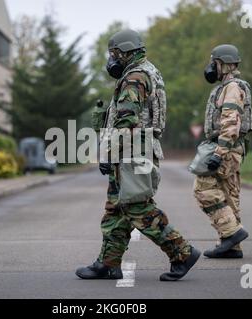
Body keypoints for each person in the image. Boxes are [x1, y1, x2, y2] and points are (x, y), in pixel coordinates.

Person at [76, 29, 200, 281]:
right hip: (131, 151)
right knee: (116, 210)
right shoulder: (145, 71)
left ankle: (181, 252)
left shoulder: (135, 77)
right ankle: (108, 263)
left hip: (134, 151)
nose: (111, 59)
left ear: (125, 51)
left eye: (113, 54)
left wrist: (109, 153)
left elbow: (127, 121)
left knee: (137, 206)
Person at [194, 44, 252, 258]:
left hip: (226, 147)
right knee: (229, 195)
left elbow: (230, 121)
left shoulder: (232, 88)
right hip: (232, 147)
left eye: (214, 63)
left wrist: (219, 153)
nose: (211, 67)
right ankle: (232, 246)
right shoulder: (228, 86)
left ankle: (232, 234)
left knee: (203, 188)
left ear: (225, 64)